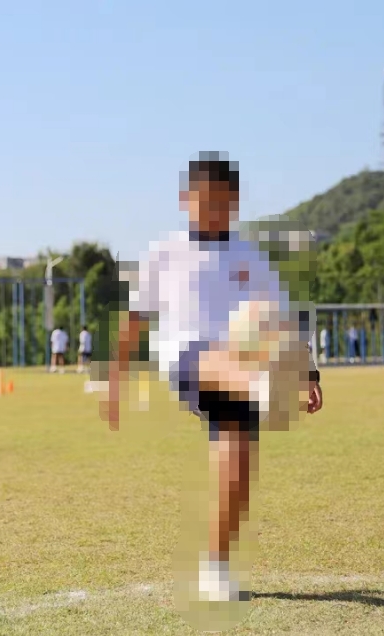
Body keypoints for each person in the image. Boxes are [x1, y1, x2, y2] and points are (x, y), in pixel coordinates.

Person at [100, 152, 323, 606]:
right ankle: (262, 384)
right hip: (185, 357)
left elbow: (283, 318)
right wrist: (114, 379)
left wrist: (308, 371)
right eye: (205, 201)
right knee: (223, 360)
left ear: (234, 202)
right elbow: (133, 320)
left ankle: (215, 568)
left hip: (241, 363)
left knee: (238, 460)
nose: (213, 210)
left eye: (222, 202)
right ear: (187, 199)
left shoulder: (250, 255)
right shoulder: (164, 253)